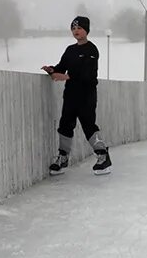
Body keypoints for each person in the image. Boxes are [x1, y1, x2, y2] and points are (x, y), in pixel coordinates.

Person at [40, 16, 112, 175]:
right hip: (71, 94)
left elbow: (88, 75)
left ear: (86, 30)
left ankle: (103, 156)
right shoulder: (70, 50)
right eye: (73, 28)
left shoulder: (92, 50)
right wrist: (52, 70)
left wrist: (67, 77)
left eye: (79, 28)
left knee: (88, 125)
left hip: (86, 95)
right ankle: (63, 158)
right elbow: (61, 67)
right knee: (65, 124)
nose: (76, 31)